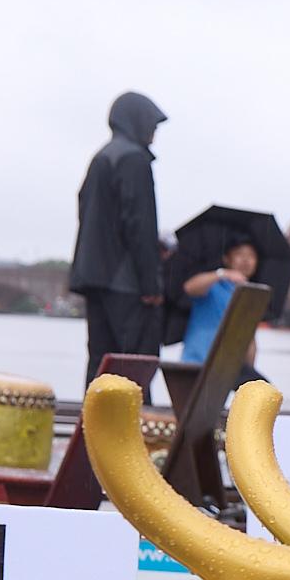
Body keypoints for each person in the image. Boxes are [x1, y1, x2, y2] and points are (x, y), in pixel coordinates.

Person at [71, 90, 167, 373]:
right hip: (126, 283)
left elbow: (88, 211)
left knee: (100, 365)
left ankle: (93, 418)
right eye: (152, 125)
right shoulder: (134, 160)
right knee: (133, 367)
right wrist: (151, 284)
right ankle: (132, 419)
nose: (154, 133)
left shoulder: (101, 158)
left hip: (94, 277)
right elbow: (139, 224)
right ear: (138, 122)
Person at [180, 237, 259, 366]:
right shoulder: (214, 286)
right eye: (239, 254)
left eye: (251, 256)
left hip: (227, 369)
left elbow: (250, 338)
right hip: (197, 362)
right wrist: (222, 274)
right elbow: (190, 287)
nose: (246, 260)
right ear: (226, 259)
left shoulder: (251, 296)